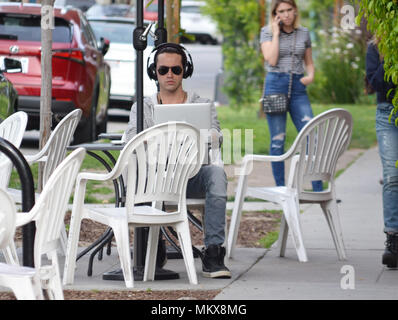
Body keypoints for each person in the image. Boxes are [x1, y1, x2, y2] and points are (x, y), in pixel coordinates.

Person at [124, 42, 231, 279]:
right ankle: (152, 244)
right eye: (163, 70)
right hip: (156, 183)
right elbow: (131, 139)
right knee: (137, 173)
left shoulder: (202, 104)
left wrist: (208, 135)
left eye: (176, 69)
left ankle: (214, 253)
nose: (170, 75)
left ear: (186, 71)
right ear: (154, 72)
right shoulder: (144, 107)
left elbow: (217, 136)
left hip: (192, 176)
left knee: (216, 175)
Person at [260, 0, 322, 191]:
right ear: (275, 14)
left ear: (295, 11)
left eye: (289, 10)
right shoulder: (267, 32)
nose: (286, 14)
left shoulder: (303, 32)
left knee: (311, 135)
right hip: (275, 85)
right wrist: (276, 33)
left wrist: (310, 76)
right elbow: (271, 59)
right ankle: (280, 188)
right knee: (278, 140)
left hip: (297, 86)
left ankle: (318, 188)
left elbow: (309, 61)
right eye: (281, 11)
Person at [366, 38, 398, 268]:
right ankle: (393, 239)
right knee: (392, 176)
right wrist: (389, 57)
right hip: (388, 114)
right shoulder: (375, 46)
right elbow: (376, 83)